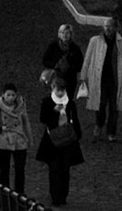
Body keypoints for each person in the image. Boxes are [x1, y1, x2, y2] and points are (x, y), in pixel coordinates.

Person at [81, 15, 122, 140]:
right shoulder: (95, 41)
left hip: (116, 80)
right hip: (100, 79)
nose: (108, 29)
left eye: (110, 26)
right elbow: (87, 59)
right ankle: (99, 124)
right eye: (105, 26)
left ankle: (111, 132)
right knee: (100, 105)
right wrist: (84, 75)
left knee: (115, 108)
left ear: (115, 28)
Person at [37, 71, 84, 205]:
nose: (60, 93)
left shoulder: (70, 103)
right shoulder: (47, 102)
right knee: (54, 169)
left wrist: (77, 135)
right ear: (53, 89)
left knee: (65, 169)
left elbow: (75, 120)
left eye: (62, 91)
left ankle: (63, 196)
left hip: (67, 141)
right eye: (58, 90)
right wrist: (54, 111)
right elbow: (43, 119)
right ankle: (55, 196)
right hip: (52, 141)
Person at [0, 82, 32, 193]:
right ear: (3, 95)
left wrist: (29, 138)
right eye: (8, 95)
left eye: (13, 95)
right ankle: (4, 194)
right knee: (4, 169)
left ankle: (19, 194)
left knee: (20, 169)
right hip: (4, 140)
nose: (11, 98)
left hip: (19, 140)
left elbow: (26, 122)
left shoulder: (21, 105)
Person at [44, 23, 85, 91]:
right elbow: (45, 60)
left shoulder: (75, 49)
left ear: (71, 34)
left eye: (67, 33)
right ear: (59, 34)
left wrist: (70, 67)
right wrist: (56, 65)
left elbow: (80, 65)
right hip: (56, 79)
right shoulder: (53, 46)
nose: (65, 35)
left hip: (70, 81)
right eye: (62, 33)